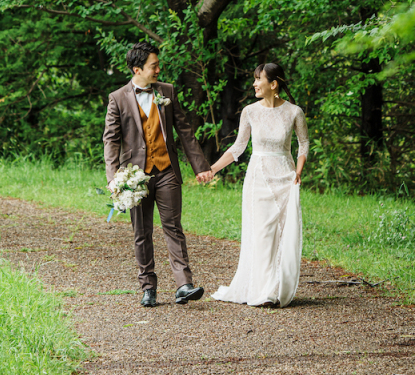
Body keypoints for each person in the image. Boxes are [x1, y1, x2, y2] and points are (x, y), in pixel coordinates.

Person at [103, 42, 213, 307]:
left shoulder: (167, 91)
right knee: (142, 232)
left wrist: (200, 166)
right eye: (153, 66)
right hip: (135, 176)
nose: (158, 70)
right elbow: (111, 140)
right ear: (137, 69)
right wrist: (113, 177)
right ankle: (148, 287)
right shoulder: (117, 98)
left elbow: (184, 131)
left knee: (173, 227)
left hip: (167, 171)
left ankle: (184, 285)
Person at [209, 61, 309, 307]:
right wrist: (212, 169)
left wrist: (298, 170)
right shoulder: (250, 112)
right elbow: (238, 147)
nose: (254, 84)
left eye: (258, 79)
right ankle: (262, 290)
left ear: (273, 84)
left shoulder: (294, 112)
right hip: (259, 179)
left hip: (285, 178)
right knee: (262, 234)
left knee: (282, 234)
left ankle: (274, 290)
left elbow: (303, 144)